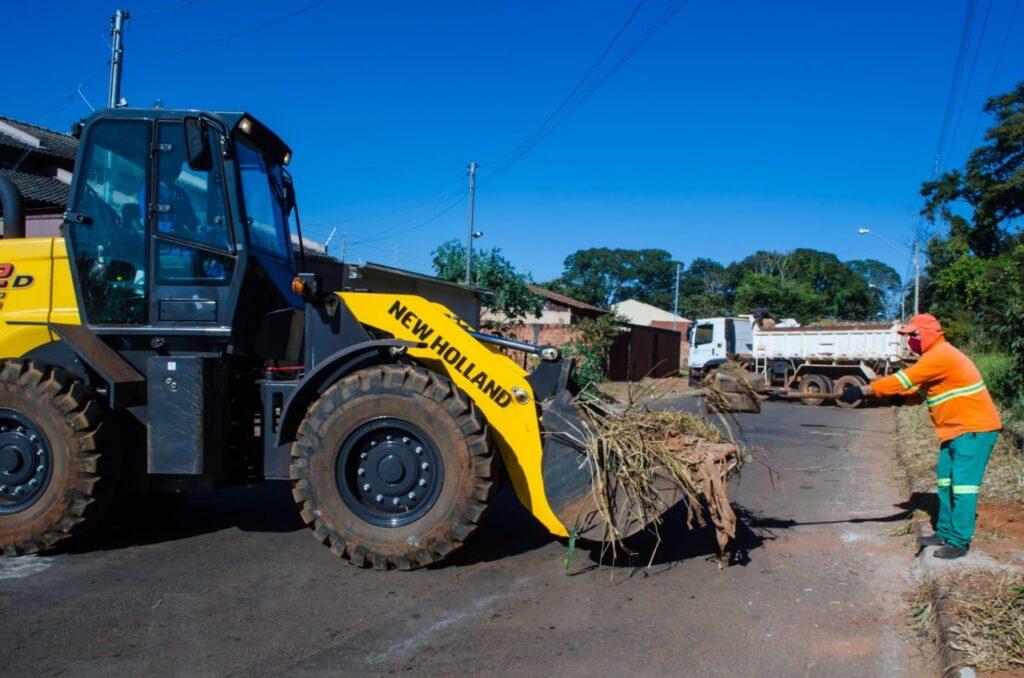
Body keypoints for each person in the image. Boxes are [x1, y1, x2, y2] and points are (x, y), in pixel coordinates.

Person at [839, 313, 1002, 560]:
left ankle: (959, 541)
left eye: (914, 335)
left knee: (963, 487)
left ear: (931, 333)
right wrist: (900, 398)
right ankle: (945, 532)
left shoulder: (941, 355)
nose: (910, 341)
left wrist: (862, 391)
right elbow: (918, 392)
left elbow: (903, 380)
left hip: (974, 430)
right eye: (908, 337)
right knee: (945, 483)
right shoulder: (935, 358)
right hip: (955, 431)